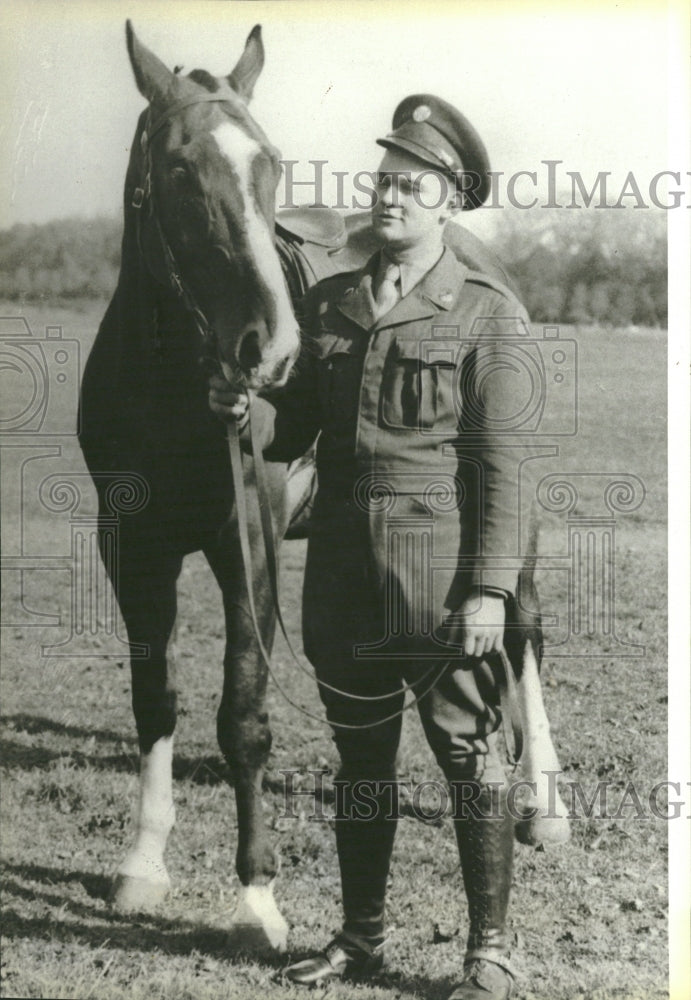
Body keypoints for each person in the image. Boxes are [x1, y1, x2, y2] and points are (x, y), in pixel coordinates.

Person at [210, 94, 532, 1000]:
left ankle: (489, 951)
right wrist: (249, 410)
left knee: (469, 760)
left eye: (410, 185)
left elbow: (505, 469)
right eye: (382, 181)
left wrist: (490, 592)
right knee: (360, 764)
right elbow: (295, 426)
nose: (387, 197)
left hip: (438, 585)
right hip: (344, 579)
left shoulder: (484, 314)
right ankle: (360, 938)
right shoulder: (332, 301)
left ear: (448, 201)